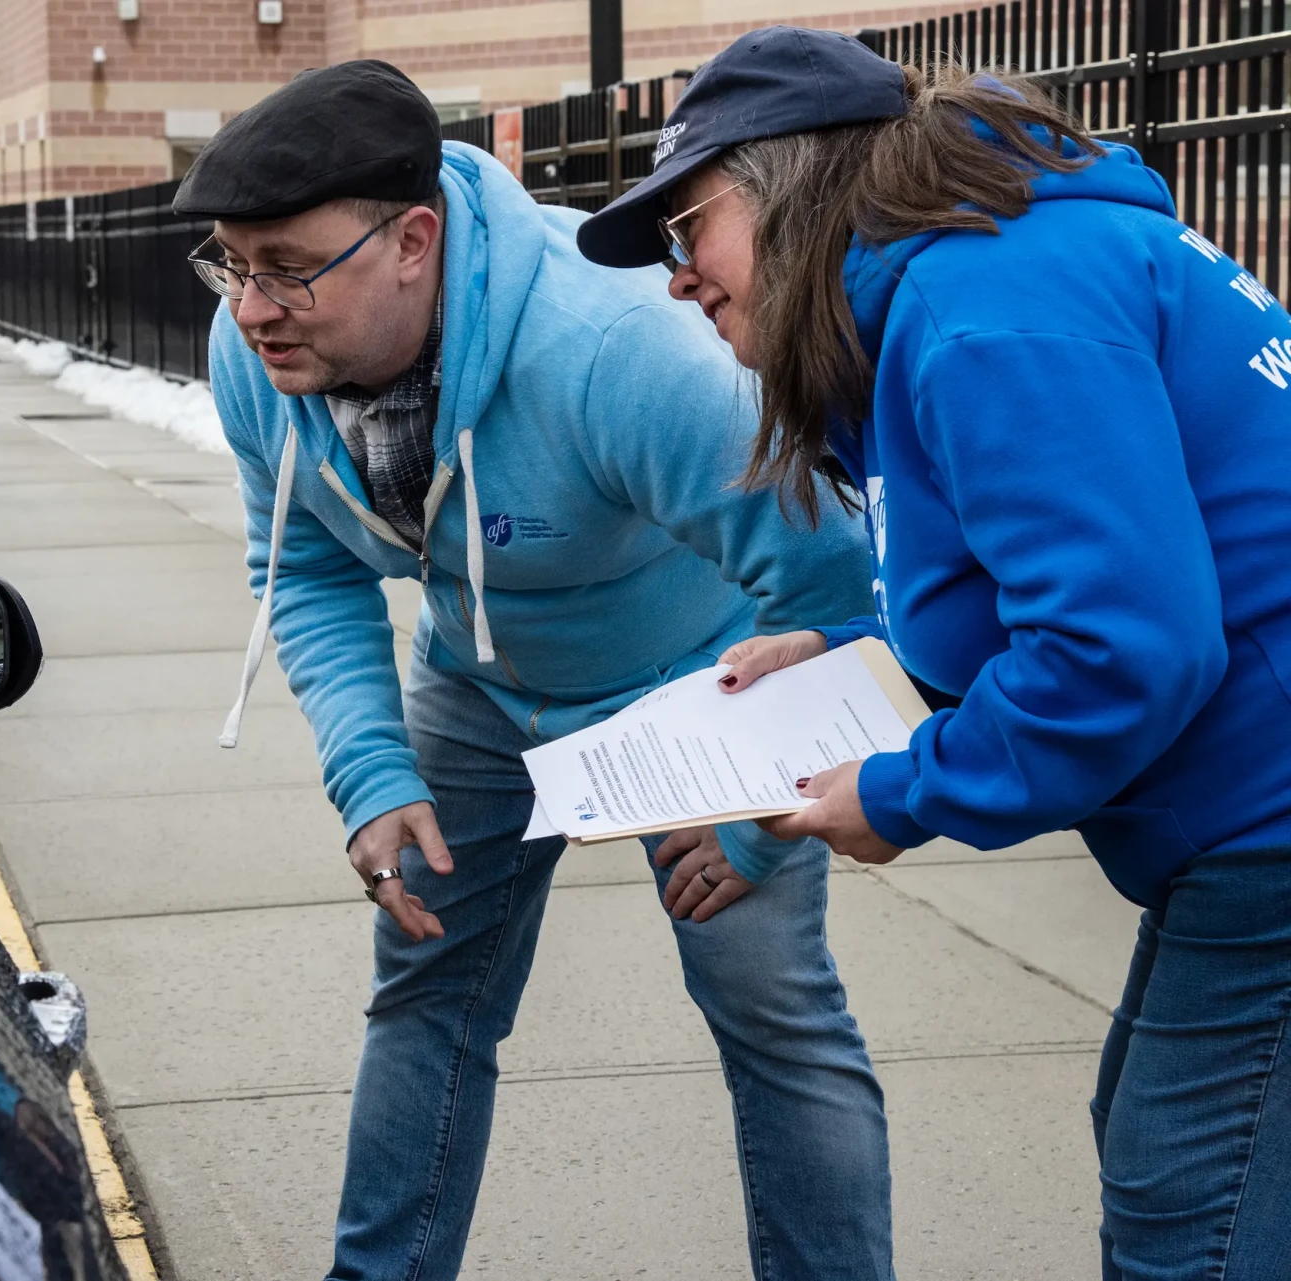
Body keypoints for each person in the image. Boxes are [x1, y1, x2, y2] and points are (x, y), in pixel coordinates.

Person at [578, 26, 1291, 1279]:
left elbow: (1122, 647)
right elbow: (1037, 594)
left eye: (690, 230)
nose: (679, 279)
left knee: (1195, 1219)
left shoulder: (983, 312)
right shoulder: (970, 280)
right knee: (1174, 1162)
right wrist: (850, 656)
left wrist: (908, 792)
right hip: (1249, 819)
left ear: (791, 184)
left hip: (1271, 826)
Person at [175, 59, 893, 1280]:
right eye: (232, 263)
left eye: (287, 264)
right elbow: (303, 568)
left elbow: (836, 592)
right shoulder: (257, 350)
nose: (252, 305)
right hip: (477, 681)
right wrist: (371, 769)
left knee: (770, 1011)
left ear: (413, 240)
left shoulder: (618, 353)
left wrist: (764, 829)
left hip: (700, 678)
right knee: (425, 992)